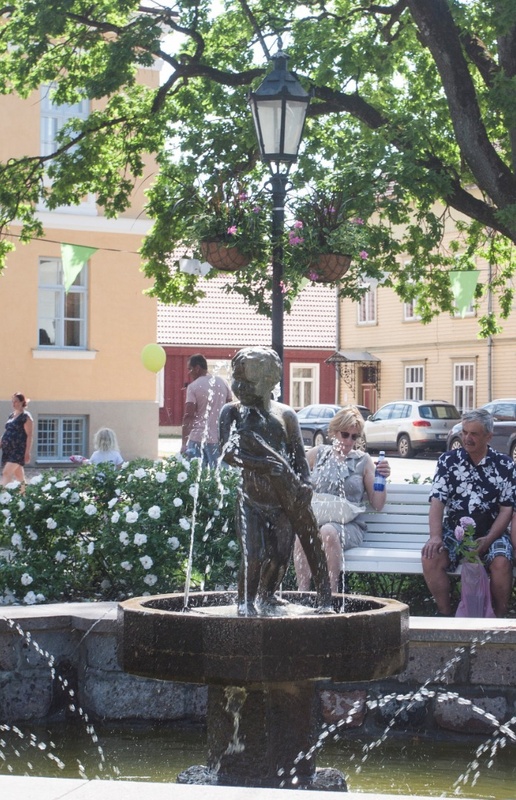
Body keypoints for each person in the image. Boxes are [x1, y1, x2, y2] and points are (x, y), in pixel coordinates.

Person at [219, 346, 331, 616]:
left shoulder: (286, 415)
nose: (238, 387)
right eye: (236, 380)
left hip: (283, 501)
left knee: (280, 557)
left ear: (268, 383)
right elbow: (228, 453)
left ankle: (268, 596)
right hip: (251, 500)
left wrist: (306, 482)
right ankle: (245, 604)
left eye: (246, 383)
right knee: (253, 555)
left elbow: (299, 457)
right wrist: (264, 465)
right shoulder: (232, 413)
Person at [422, 408, 514, 617]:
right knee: (430, 557)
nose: (467, 438)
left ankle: (497, 622)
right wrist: (435, 537)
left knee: (501, 562)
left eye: (474, 434)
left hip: (492, 532)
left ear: (488, 436)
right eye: (464, 432)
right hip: (454, 533)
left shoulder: (504, 465)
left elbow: (506, 509)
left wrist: (489, 539)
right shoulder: (448, 461)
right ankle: (448, 618)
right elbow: (437, 502)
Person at [294, 405, 391, 593]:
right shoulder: (318, 454)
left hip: (350, 525)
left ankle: (331, 595)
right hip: (318, 520)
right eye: (345, 435)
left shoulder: (363, 461)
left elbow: (378, 504)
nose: (349, 441)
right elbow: (295, 477)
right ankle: (302, 593)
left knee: (328, 531)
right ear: (334, 432)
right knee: (303, 532)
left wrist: (382, 478)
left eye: (354, 437)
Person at [182, 354, 233, 467]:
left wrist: (184, 444)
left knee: (196, 476)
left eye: (190, 369)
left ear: (197, 368)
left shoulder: (193, 387)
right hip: (218, 439)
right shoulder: (223, 383)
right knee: (220, 475)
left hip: (198, 438)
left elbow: (188, 416)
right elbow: (229, 410)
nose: (189, 373)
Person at [1, 392, 33, 486]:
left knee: (6, 472)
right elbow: (8, 431)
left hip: (18, 450)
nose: (13, 404)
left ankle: (2, 495)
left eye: (16, 401)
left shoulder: (26, 417)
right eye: (12, 401)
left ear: (22, 402)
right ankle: (25, 496)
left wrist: (27, 453)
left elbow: (29, 435)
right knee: (19, 476)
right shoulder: (11, 416)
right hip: (8, 450)